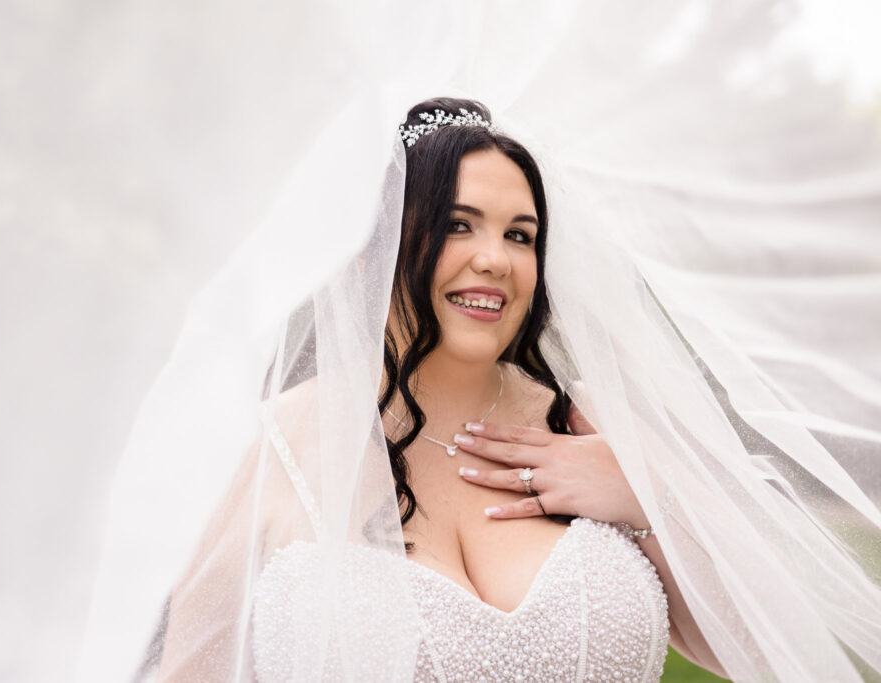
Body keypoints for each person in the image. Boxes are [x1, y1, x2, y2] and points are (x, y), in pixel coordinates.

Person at [154, 99, 727, 682]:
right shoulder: (262, 448)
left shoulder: (592, 422)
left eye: (520, 235)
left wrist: (644, 496)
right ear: (369, 251)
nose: (495, 259)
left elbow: (752, 652)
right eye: (458, 225)